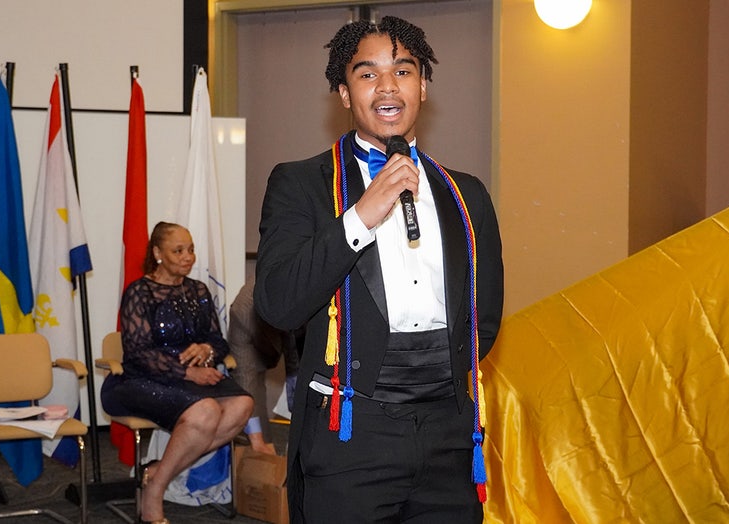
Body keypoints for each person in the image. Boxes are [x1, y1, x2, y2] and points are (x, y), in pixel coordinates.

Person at [254, 15, 504, 524]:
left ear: (423, 87)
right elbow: (278, 304)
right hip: (350, 431)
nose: (387, 86)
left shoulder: (467, 194)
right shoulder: (301, 184)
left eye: (403, 71)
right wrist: (360, 218)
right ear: (345, 93)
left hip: (448, 432)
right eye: (368, 74)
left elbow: (485, 316)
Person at [101, 221, 253, 524]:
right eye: (178, 250)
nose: (188, 257)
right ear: (158, 253)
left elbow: (218, 341)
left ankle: (158, 472)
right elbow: (138, 353)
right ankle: (155, 490)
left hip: (192, 381)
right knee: (205, 412)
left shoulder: (198, 290)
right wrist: (188, 373)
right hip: (140, 379)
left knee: (242, 405)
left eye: (191, 250)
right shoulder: (139, 292)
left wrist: (207, 350)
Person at [228, 278, 300, 454]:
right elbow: (245, 376)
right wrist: (257, 439)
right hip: (260, 345)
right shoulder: (243, 313)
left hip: (309, 332)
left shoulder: (305, 295)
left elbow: (297, 361)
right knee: (253, 404)